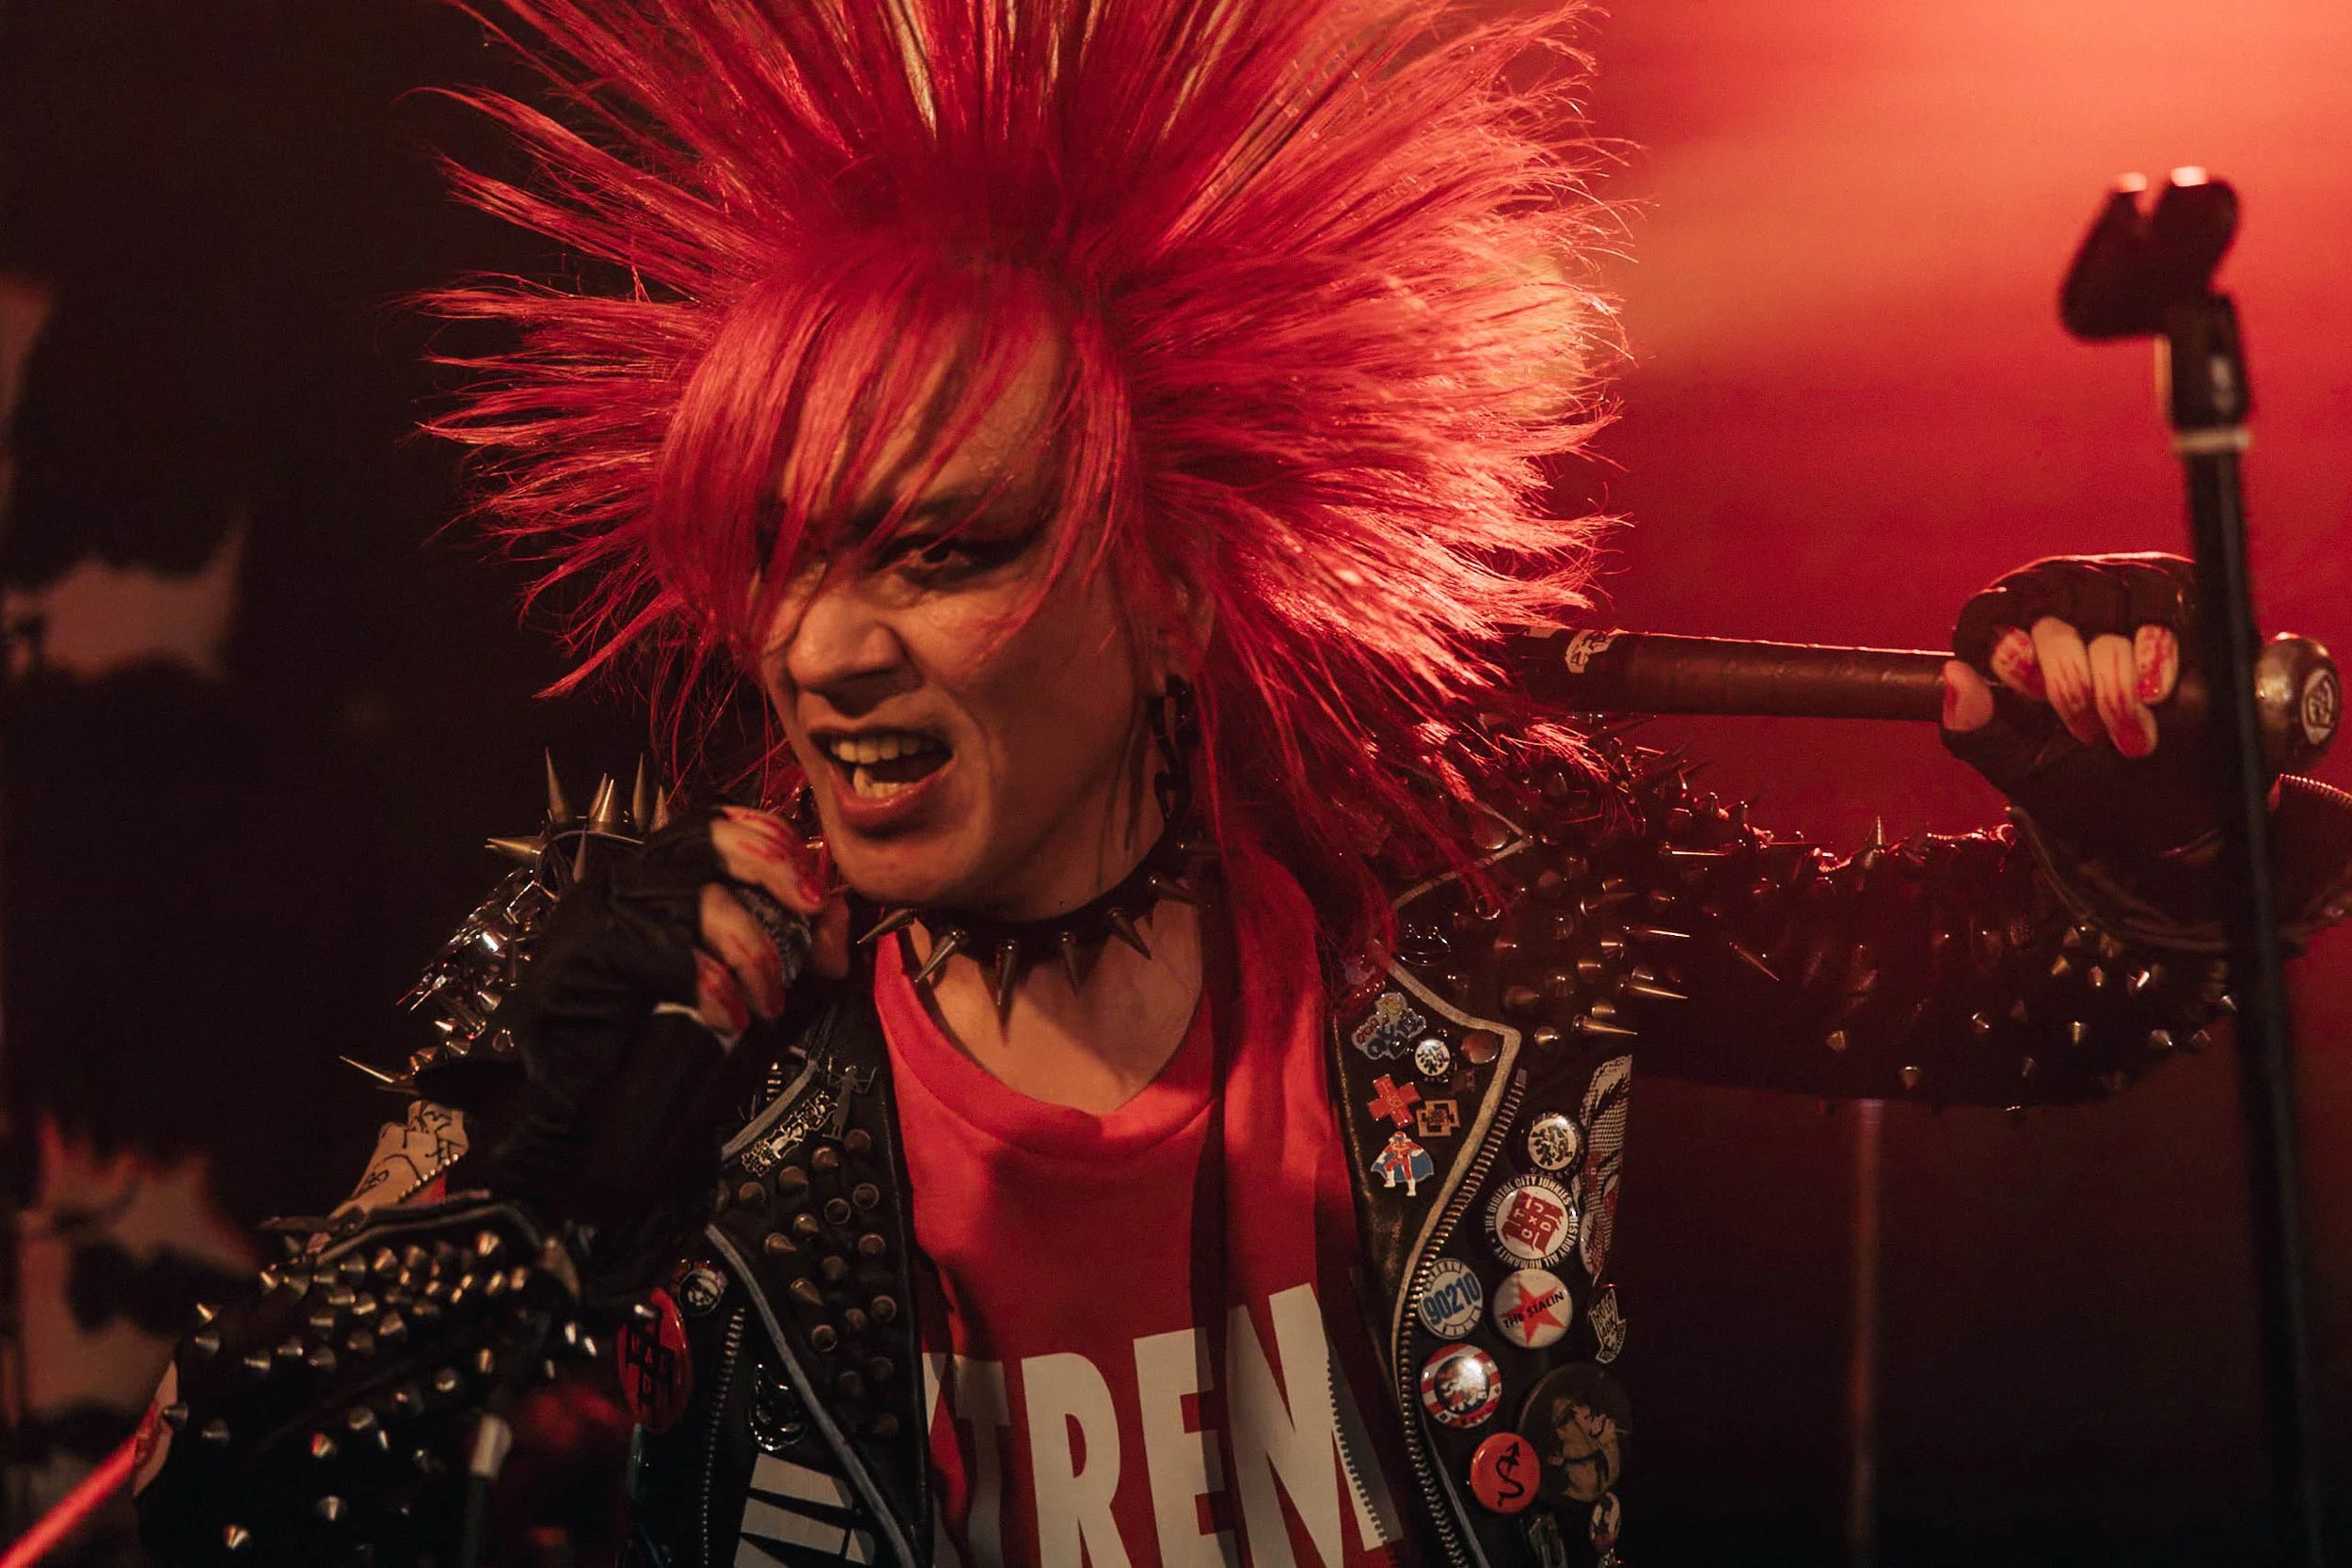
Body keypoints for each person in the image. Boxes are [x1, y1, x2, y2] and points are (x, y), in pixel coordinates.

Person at [132, 0, 2352, 1564]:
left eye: (942, 550)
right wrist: (517, 1196)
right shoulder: (666, 1001)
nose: (819, 645)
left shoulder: (1473, 884)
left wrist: (2142, 821)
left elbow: (2007, 1003)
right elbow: (230, 1508)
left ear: (1178, 585)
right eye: (786, 550)